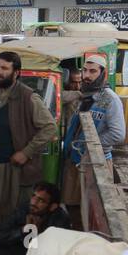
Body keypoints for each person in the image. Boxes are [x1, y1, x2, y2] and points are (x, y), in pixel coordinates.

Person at [0, 51, 56, 255]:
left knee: (18, 214)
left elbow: (50, 128)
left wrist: (26, 152)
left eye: (4, 68)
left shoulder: (29, 97)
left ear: (16, 73)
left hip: (16, 168)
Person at [62, 54, 126, 182]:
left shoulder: (107, 97)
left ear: (103, 73)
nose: (86, 76)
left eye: (93, 71)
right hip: (75, 159)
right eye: (84, 70)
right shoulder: (86, 95)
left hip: (95, 163)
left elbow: (117, 134)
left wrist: (88, 145)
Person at [58, 64, 85, 227]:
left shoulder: (83, 96)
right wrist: (77, 93)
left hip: (75, 147)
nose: (77, 85)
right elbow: (59, 96)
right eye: (74, 82)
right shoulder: (71, 94)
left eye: (79, 82)